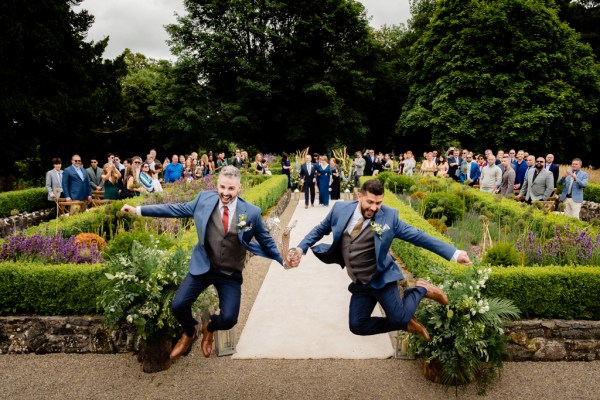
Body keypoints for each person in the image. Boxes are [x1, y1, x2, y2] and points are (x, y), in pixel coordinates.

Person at [120, 166, 292, 360]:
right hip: (203, 266)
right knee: (177, 306)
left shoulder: (251, 212)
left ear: (239, 188)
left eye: (231, 189)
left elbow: (266, 240)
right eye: (222, 187)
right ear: (217, 185)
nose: (225, 193)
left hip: (229, 273)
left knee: (229, 319)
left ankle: (209, 328)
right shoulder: (203, 199)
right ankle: (190, 331)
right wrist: (138, 210)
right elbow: (174, 209)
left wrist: (282, 260)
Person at [287, 180, 471, 342]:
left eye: (378, 203)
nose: (374, 208)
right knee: (357, 325)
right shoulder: (340, 210)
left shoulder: (390, 217)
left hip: (382, 278)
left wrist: (455, 253)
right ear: (359, 196)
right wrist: (301, 248)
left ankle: (421, 289)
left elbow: (419, 236)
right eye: (370, 202)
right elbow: (320, 229)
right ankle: (407, 324)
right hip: (360, 281)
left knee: (398, 318)